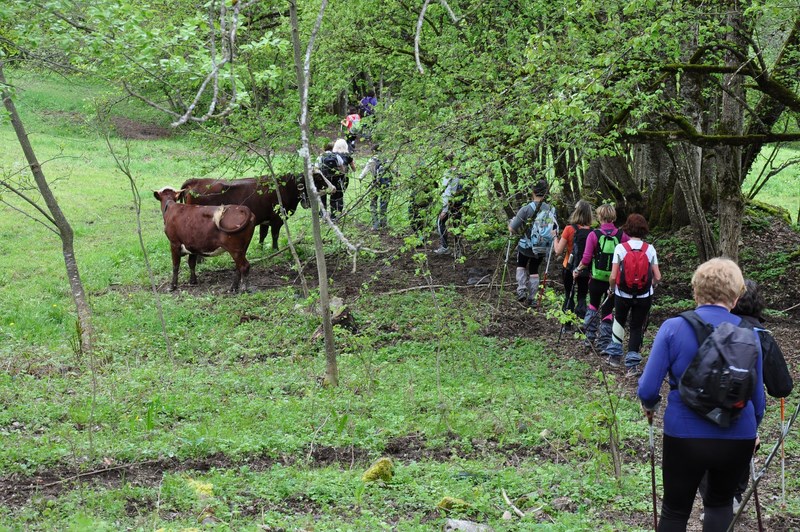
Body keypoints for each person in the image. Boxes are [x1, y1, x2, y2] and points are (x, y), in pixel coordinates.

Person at [638, 258, 765, 532]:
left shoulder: (673, 327)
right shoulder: (751, 334)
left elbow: (648, 388)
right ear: (735, 295)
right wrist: (752, 429)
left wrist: (651, 406)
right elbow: (758, 402)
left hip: (684, 435)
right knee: (719, 506)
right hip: (737, 435)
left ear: (696, 291)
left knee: (674, 510)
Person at [698, 278, 793, 513]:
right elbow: (781, 387)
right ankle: (731, 496)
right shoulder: (761, 335)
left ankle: (714, 497)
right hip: (743, 411)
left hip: (701, 407)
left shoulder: (707, 326)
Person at [604, 214, 661, 374]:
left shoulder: (620, 248)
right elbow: (658, 276)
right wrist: (652, 286)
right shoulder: (650, 249)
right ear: (644, 230)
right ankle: (632, 365)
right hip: (644, 295)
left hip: (622, 294)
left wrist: (611, 289)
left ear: (628, 228)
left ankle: (614, 358)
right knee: (636, 326)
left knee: (620, 321)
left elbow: (614, 276)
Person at [573, 204, 628, 351]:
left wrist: (577, 269)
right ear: (613, 217)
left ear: (599, 217)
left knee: (593, 306)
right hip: (613, 280)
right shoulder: (622, 236)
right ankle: (604, 342)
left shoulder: (594, 235)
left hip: (596, 279)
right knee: (608, 310)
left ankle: (589, 339)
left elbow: (586, 260)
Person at [508, 179, 558, 307]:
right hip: (542, 247)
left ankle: (521, 290)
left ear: (532, 192)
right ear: (546, 193)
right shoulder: (551, 209)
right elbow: (554, 229)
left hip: (526, 246)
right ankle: (532, 297)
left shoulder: (525, 209)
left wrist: (513, 227)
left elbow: (512, 228)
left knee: (521, 264)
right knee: (534, 269)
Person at [554, 200, 593, 319]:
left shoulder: (569, 229)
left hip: (569, 266)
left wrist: (555, 237)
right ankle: (581, 322)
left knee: (568, 295)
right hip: (585, 268)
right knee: (582, 295)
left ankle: (567, 324)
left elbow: (558, 251)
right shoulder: (592, 232)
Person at [434, 156, 466, 255]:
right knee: (457, 225)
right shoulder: (461, 172)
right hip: (460, 203)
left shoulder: (449, 173)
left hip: (451, 203)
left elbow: (447, 191)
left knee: (440, 223)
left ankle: (445, 247)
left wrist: (445, 209)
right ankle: (458, 250)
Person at [316, 141, 344, 216]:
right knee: (334, 197)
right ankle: (334, 215)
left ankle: (323, 214)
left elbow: (316, 169)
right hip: (334, 179)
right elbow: (342, 169)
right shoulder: (336, 156)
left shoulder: (321, 157)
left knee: (323, 197)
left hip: (324, 180)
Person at [330, 138, 356, 219]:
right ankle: (339, 212)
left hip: (332, 177)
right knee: (340, 194)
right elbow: (354, 168)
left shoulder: (332, 155)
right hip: (343, 178)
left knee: (333, 195)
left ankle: (332, 214)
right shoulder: (347, 156)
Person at [367, 151, 392, 231]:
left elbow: (363, 173)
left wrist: (360, 178)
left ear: (373, 152)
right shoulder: (387, 160)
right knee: (384, 204)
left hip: (375, 185)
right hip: (386, 185)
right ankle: (383, 224)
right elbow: (396, 172)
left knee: (373, 204)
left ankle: (375, 225)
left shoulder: (371, 161)